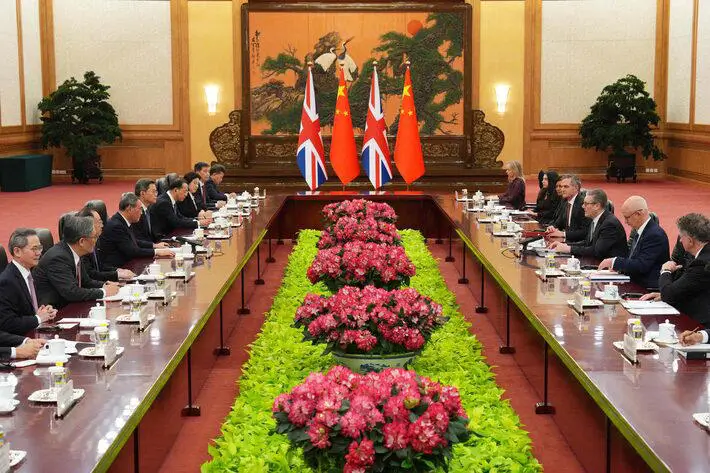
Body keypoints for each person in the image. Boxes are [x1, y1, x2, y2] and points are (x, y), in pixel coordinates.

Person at [33, 214, 120, 308]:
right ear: (81, 241)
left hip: (71, 305)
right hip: (57, 310)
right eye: (94, 237)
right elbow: (71, 292)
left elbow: (86, 282)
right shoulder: (58, 258)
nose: (96, 240)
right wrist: (103, 292)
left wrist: (105, 285)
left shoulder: (75, 250)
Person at [598, 196, 669, 289]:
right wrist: (620, 269)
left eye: (627, 217)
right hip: (635, 280)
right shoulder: (640, 230)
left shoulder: (654, 235)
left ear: (638, 214)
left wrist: (614, 262)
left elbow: (642, 265)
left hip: (645, 287)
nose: (625, 222)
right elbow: (633, 258)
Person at [0, 228, 58, 335]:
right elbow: (7, 323)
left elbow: (29, 309)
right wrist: (38, 318)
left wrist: (45, 310)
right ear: (17, 251)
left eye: (40, 248)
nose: (39, 253)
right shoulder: (7, 282)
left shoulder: (30, 272)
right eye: (34, 249)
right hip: (21, 340)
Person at [656, 213, 710, 325]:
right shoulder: (702, 256)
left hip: (700, 325)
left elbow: (669, 295)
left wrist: (665, 271)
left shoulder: (701, 264)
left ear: (690, 241)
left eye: (681, 237)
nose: (680, 241)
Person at [98, 193, 174, 269]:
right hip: (118, 268)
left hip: (127, 264)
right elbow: (132, 251)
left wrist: (154, 245)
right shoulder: (116, 226)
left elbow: (132, 241)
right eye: (140, 209)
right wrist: (157, 252)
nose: (141, 213)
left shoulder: (123, 220)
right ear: (129, 209)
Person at [548, 189, 627, 259]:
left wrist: (569, 249)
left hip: (609, 267)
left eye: (586, 204)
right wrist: (565, 245)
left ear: (597, 206)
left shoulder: (609, 224)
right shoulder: (596, 219)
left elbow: (597, 251)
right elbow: (587, 243)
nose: (582, 206)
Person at [76, 206, 135, 281]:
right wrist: (117, 275)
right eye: (99, 222)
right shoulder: (84, 244)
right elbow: (90, 274)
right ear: (89, 224)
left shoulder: (96, 240)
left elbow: (99, 266)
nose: (102, 225)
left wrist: (117, 270)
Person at [545, 174, 590, 241]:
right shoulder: (565, 201)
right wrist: (552, 227)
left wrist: (563, 234)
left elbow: (585, 232)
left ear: (576, 188)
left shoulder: (583, 204)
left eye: (566, 187)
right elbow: (558, 222)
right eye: (561, 186)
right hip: (567, 240)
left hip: (579, 243)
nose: (562, 189)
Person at [133, 179, 159, 243]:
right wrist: (154, 246)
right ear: (142, 193)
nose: (156, 194)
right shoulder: (135, 212)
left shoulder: (150, 209)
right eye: (153, 191)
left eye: (156, 192)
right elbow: (136, 240)